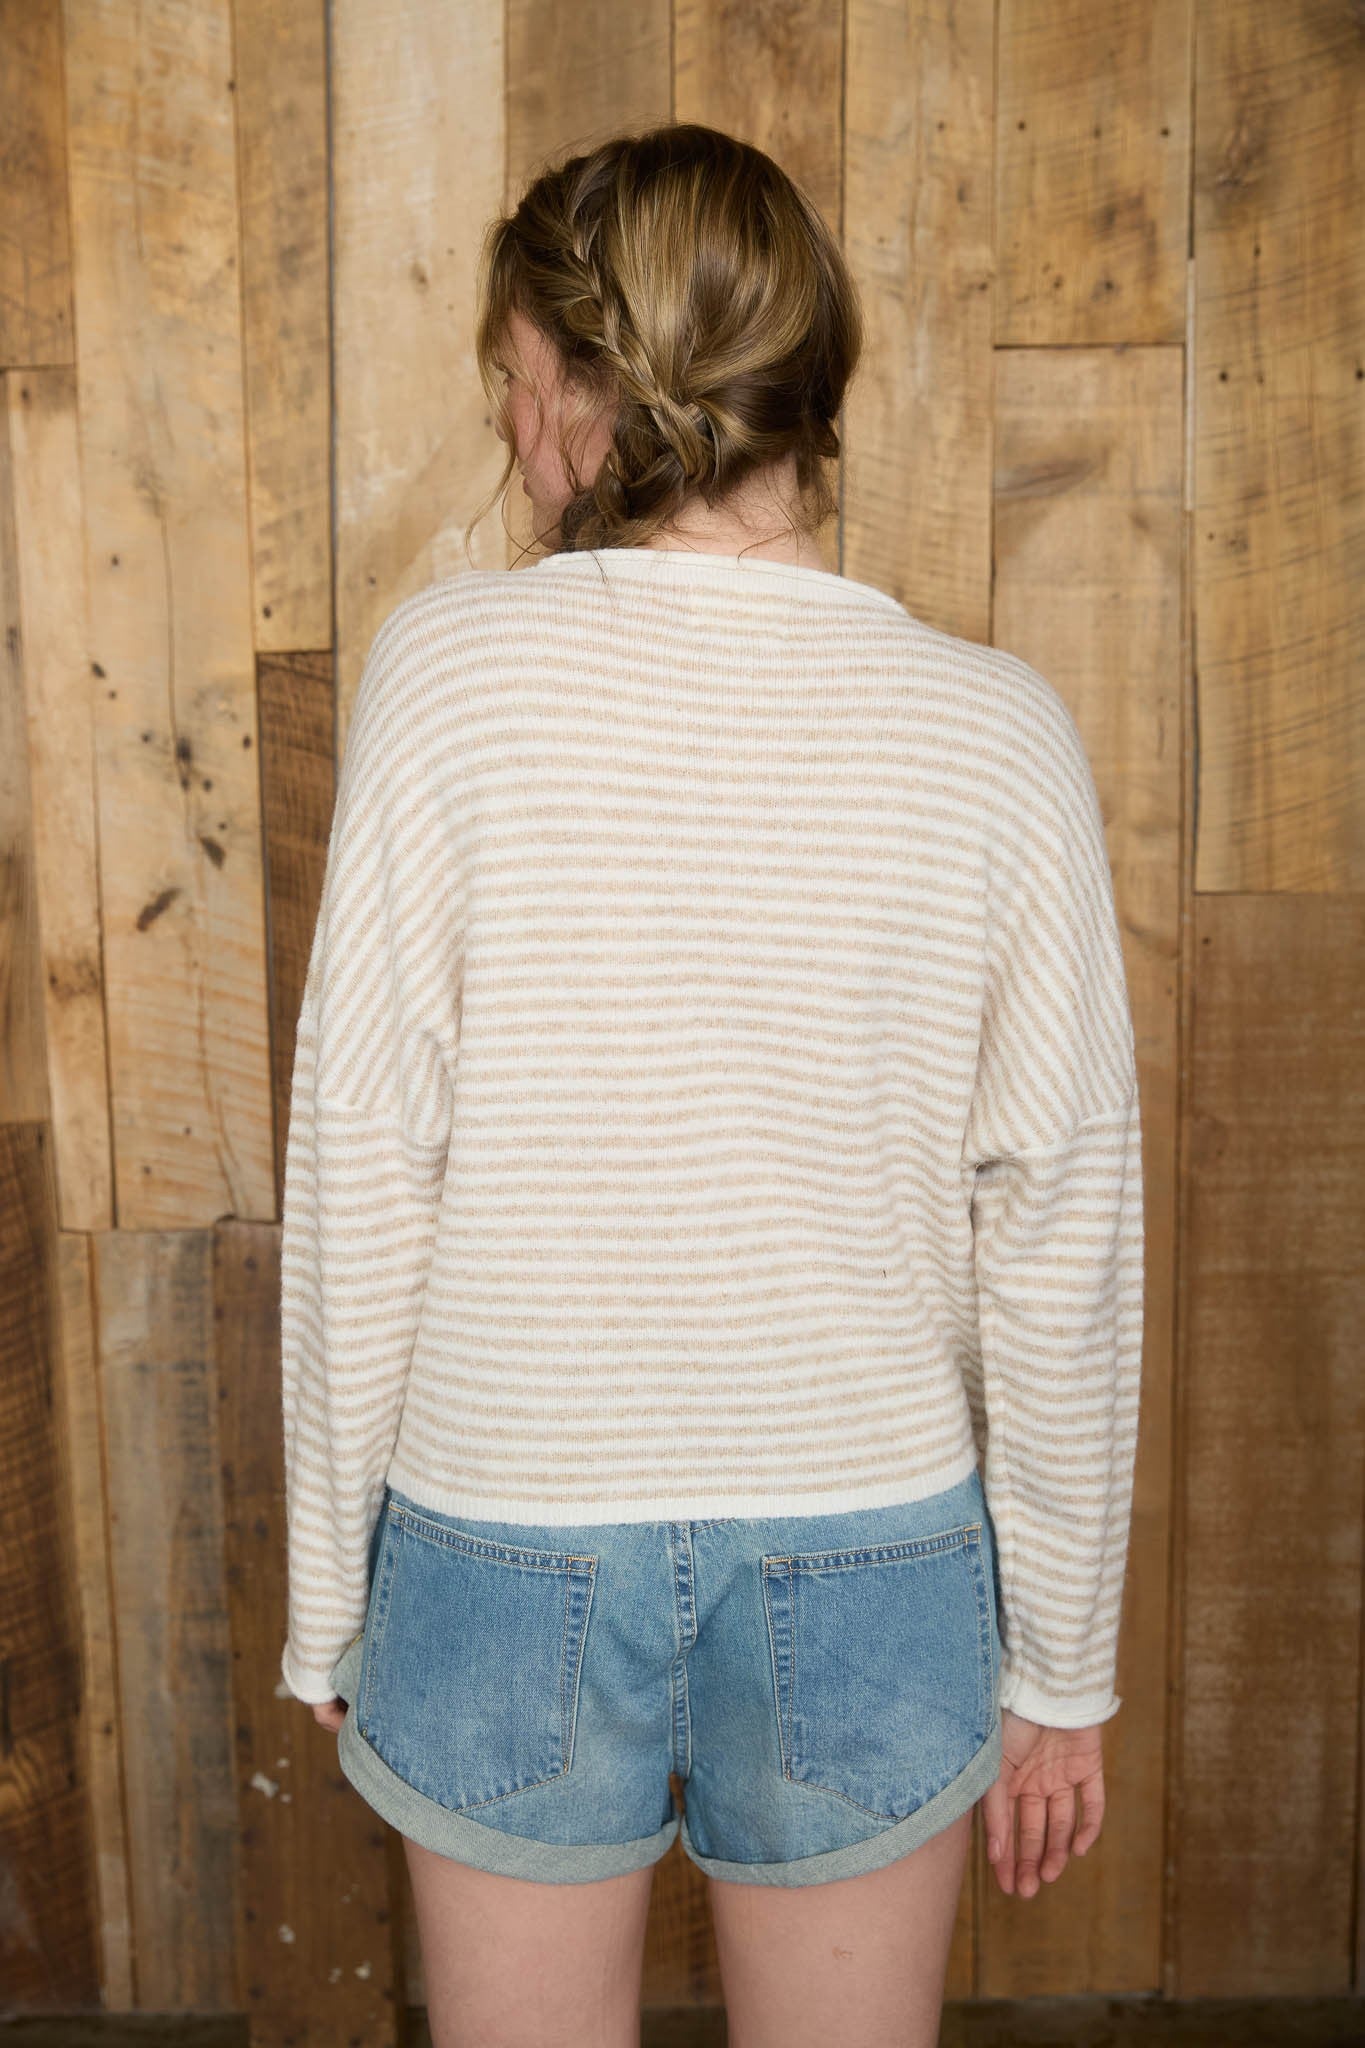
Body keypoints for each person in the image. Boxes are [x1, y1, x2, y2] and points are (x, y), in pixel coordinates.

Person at [279, 122, 1143, 2048]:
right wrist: (1060, 1667)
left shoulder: (445, 674)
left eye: (515, 378)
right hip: (874, 1543)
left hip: (503, 1532)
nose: (508, 429)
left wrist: (330, 1593)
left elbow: (365, 1157)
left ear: (592, 392)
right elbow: (1060, 1225)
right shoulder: (997, 731)